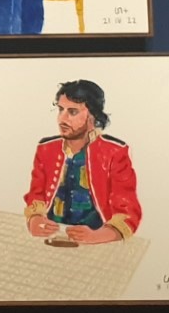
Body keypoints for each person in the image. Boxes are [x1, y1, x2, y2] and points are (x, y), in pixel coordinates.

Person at [24, 80, 140, 245]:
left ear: (92, 117)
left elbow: (128, 211)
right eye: (60, 110)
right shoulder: (46, 149)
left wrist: (98, 236)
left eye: (72, 112)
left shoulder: (114, 152)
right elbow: (36, 195)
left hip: (97, 243)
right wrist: (34, 220)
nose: (62, 119)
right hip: (50, 238)